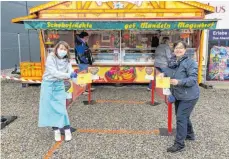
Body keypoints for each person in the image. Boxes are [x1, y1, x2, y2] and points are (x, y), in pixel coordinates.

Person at [158, 41, 200, 153]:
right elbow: (169, 72)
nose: (178, 50)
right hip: (178, 94)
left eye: (181, 48)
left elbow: (193, 79)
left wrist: (179, 82)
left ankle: (179, 144)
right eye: (176, 47)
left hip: (189, 96)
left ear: (185, 50)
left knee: (181, 117)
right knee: (183, 116)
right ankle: (190, 135)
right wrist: (163, 74)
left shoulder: (190, 62)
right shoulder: (173, 61)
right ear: (173, 49)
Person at [38, 41, 77, 142]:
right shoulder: (51, 57)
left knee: (61, 108)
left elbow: (70, 70)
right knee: (49, 108)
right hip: (48, 84)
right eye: (61, 48)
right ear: (56, 48)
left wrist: (76, 77)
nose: (63, 51)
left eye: (65, 49)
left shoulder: (67, 59)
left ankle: (67, 129)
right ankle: (56, 131)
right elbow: (54, 73)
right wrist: (69, 75)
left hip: (59, 84)